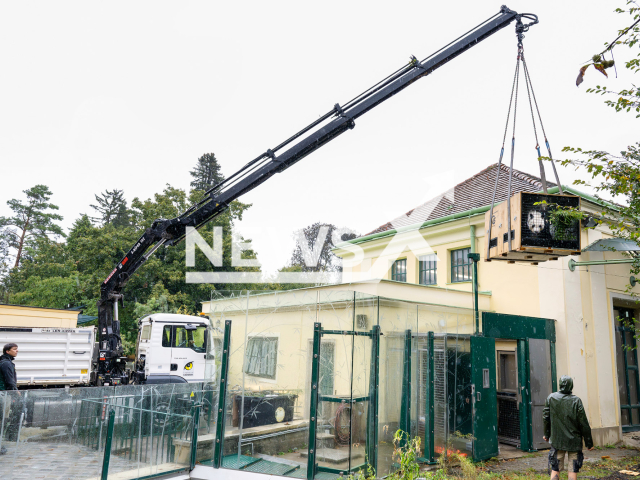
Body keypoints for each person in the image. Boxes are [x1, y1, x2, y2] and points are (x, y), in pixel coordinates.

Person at [543, 375, 593, 480]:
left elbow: (546, 418)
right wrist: (589, 443)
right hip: (574, 441)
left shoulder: (551, 398)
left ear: (560, 384)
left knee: (555, 468)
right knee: (572, 469)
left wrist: (547, 434)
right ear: (571, 386)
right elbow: (584, 424)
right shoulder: (576, 401)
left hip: (557, 440)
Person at [0, 343, 19, 455]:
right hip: (3, 394)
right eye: (14, 349)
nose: (17, 351)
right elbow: (9, 379)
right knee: (2, 421)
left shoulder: (3, 361)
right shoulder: (6, 363)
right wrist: (15, 391)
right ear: (7, 351)